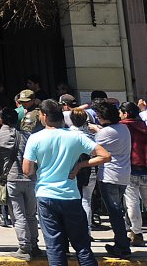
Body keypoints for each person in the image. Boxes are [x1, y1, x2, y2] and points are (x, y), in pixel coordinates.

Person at [23, 99, 110, 266]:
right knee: (82, 246)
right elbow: (105, 156)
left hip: (46, 195)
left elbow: (27, 170)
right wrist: (80, 165)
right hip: (70, 195)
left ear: (44, 116)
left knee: (55, 246)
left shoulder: (35, 138)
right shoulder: (75, 136)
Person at [0, 107, 40, 259]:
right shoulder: (27, 135)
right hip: (30, 178)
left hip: (11, 179)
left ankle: (24, 248)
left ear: (1, 119)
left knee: (18, 216)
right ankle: (34, 245)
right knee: (30, 215)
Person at [93, 100, 133, 258]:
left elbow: (92, 149)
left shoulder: (103, 133)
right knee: (118, 210)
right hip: (123, 174)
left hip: (109, 175)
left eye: (98, 116)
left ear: (103, 117)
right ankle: (121, 242)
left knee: (114, 212)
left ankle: (122, 245)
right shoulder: (124, 128)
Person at [120, 101, 147, 246]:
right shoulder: (144, 125)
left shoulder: (122, 127)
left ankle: (136, 233)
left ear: (125, 114)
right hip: (145, 167)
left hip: (131, 168)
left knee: (132, 203)